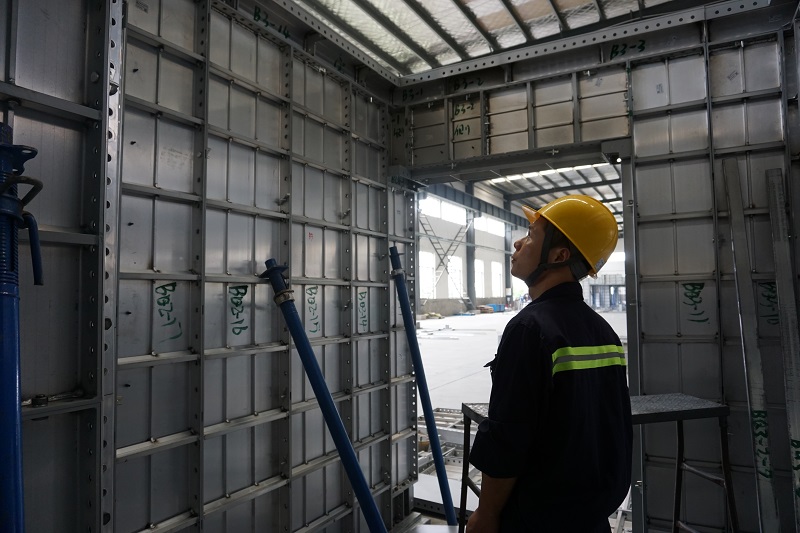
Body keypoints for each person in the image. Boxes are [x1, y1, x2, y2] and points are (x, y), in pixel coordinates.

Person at [466, 195, 632, 533]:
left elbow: (508, 436)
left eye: (531, 234)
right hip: (590, 519)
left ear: (559, 256)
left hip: (537, 520)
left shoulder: (530, 329)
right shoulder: (604, 331)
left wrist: (486, 514)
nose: (518, 243)